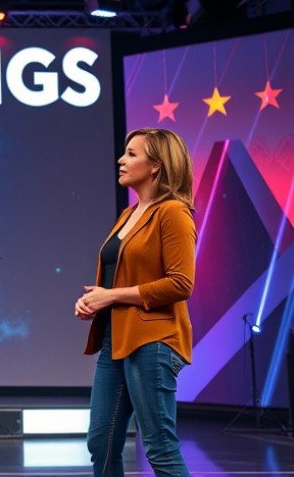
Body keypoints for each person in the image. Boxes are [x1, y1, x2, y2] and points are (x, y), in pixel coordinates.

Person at [75, 128, 196, 476]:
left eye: (131, 154)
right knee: (102, 443)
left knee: (159, 446)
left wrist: (111, 295)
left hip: (153, 342)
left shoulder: (172, 212)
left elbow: (180, 283)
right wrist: (95, 301)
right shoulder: (128, 216)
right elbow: (122, 275)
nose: (121, 160)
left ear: (156, 166)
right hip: (116, 340)